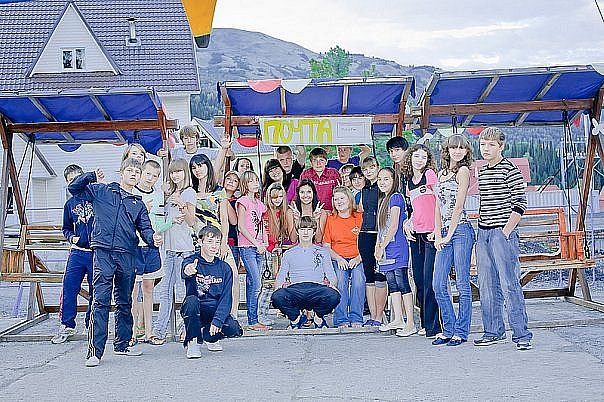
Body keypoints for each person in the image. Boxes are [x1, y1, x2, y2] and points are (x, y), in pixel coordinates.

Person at [68, 158, 162, 367]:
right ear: (121, 172)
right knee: (100, 300)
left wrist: (153, 238)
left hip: (127, 254)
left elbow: (145, 229)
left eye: (137, 172)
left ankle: (122, 344)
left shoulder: (138, 203)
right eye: (130, 170)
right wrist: (91, 176)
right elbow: (73, 188)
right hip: (102, 252)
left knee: (125, 301)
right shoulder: (102, 190)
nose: (133, 174)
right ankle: (94, 352)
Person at [474, 127, 533, 350]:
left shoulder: (510, 170)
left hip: (502, 233)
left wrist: (505, 232)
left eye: (491, 145)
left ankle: (521, 335)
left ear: (501, 146)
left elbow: (520, 204)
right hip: (483, 232)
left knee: (509, 284)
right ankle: (493, 331)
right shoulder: (482, 171)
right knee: (486, 284)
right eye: (483, 144)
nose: (486, 149)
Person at [432, 134, 475, 347]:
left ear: (466, 152)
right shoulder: (441, 174)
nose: (457, 151)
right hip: (444, 231)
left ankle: (461, 331)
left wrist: (449, 234)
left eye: (461, 148)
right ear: (447, 150)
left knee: (462, 283)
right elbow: (438, 206)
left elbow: (458, 206)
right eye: (453, 148)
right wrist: (438, 233)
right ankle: (448, 329)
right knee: (438, 283)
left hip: (461, 231)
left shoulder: (463, 171)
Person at [181, 225, 243, 358]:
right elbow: (186, 268)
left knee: (234, 329)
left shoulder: (225, 268)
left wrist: (218, 320)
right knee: (191, 301)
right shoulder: (192, 261)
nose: (214, 246)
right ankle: (193, 341)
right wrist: (189, 269)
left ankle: (209, 337)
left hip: (214, 309)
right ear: (200, 242)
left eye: (217, 242)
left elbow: (226, 298)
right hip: (196, 308)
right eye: (210, 241)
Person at [190, 154, 239, 319]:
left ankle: (232, 316)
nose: (197, 170)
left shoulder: (219, 191)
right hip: (198, 243)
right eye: (194, 167)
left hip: (218, 241)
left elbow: (224, 220)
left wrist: (223, 243)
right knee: (201, 282)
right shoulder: (190, 191)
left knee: (233, 275)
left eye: (200, 165)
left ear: (207, 166)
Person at [51, 165, 94, 344]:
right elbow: (66, 227)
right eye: (70, 180)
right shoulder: (69, 204)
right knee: (69, 287)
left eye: (77, 178)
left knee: (95, 290)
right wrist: (71, 238)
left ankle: (91, 323)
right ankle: (67, 324)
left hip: (95, 253)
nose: (75, 182)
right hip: (77, 253)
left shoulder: (95, 198)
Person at [271, 216, 340, 329]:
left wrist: (333, 285)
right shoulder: (289, 253)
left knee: (334, 295)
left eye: (309, 229)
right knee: (277, 296)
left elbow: (331, 274)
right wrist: (277, 288)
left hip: (316, 289)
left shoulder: (323, 252)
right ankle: (296, 319)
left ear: (314, 232)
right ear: (298, 232)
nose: (306, 233)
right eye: (302, 229)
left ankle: (318, 318)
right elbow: (281, 275)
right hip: (296, 289)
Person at [402, 144, 442, 339]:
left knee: (429, 280)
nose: (420, 160)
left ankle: (434, 326)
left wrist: (437, 228)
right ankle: (425, 323)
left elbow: (440, 202)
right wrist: (408, 223)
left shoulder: (430, 176)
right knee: (418, 280)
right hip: (415, 235)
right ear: (410, 158)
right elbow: (414, 209)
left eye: (424, 157)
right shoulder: (409, 183)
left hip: (431, 234)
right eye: (416, 156)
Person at [130, 160, 172, 345]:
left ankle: (149, 332)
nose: (150, 178)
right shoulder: (131, 192)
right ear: (141, 173)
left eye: (155, 176)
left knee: (149, 289)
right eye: (148, 174)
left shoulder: (158, 195)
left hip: (152, 248)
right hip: (134, 247)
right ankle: (131, 333)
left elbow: (159, 223)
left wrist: (160, 233)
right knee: (133, 292)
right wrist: (141, 211)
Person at [374, 167, 415, 336]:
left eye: (386, 179)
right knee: (392, 283)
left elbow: (393, 226)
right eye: (380, 179)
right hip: (385, 248)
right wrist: (378, 246)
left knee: (402, 281)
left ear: (393, 181)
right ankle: (398, 318)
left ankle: (410, 322)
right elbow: (381, 228)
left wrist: (382, 246)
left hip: (397, 246)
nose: (382, 182)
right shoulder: (383, 199)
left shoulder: (396, 198)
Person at [323, 186, 365, 328]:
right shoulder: (331, 219)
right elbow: (326, 246)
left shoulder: (359, 217)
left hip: (357, 258)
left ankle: (356, 317)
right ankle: (341, 319)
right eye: (336, 199)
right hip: (338, 258)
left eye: (342, 198)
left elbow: (368, 242)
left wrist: (359, 258)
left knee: (359, 280)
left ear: (349, 199)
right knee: (340, 281)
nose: (339, 202)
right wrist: (338, 258)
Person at [236, 171, 269, 330]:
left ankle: (253, 320)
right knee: (256, 283)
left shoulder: (259, 203)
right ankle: (253, 319)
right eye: (251, 181)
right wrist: (256, 243)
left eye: (256, 180)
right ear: (245, 184)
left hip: (259, 247)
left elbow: (262, 224)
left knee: (253, 282)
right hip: (247, 247)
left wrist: (265, 241)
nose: (255, 183)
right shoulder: (242, 202)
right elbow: (241, 227)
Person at [357, 156, 387, 327]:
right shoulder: (364, 189)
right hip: (365, 233)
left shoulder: (382, 188)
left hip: (379, 233)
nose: (368, 171)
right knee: (368, 275)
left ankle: (380, 315)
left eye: (372, 167)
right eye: (365, 169)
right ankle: (373, 314)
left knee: (379, 274)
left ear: (378, 167)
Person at [258, 182, 291, 325]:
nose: (277, 200)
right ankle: (261, 314)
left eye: (280, 196)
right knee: (268, 285)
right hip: (268, 253)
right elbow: (264, 234)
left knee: (283, 282)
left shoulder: (285, 212)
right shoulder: (265, 212)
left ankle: (285, 311)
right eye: (274, 197)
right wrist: (271, 248)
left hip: (281, 252)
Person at [288, 179, 327, 244]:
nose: (305, 195)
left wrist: (316, 220)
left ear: (313, 193)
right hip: (298, 247)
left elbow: (318, 240)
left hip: (315, 248)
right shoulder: (291, 212)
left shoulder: (322, 212)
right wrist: (296, 220)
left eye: (309, 192)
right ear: (298, 194)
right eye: (302, 192)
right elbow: (293, 240)